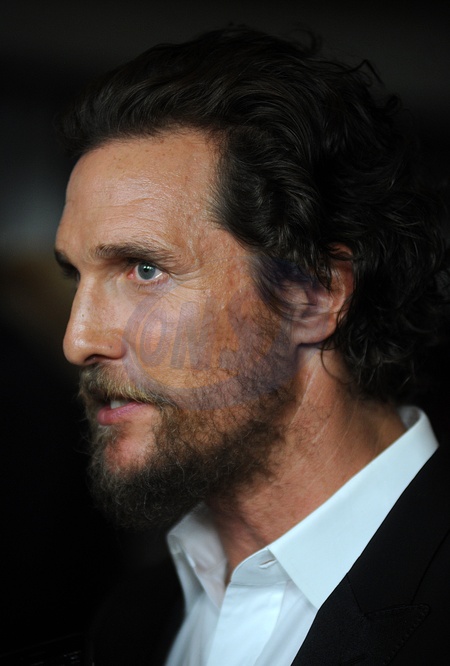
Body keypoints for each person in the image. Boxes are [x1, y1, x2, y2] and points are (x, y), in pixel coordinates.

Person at [54, 26, 449, 665]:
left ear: (313, 295)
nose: (78, 340)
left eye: (144, 270)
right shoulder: (134, 621)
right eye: (77, 276)